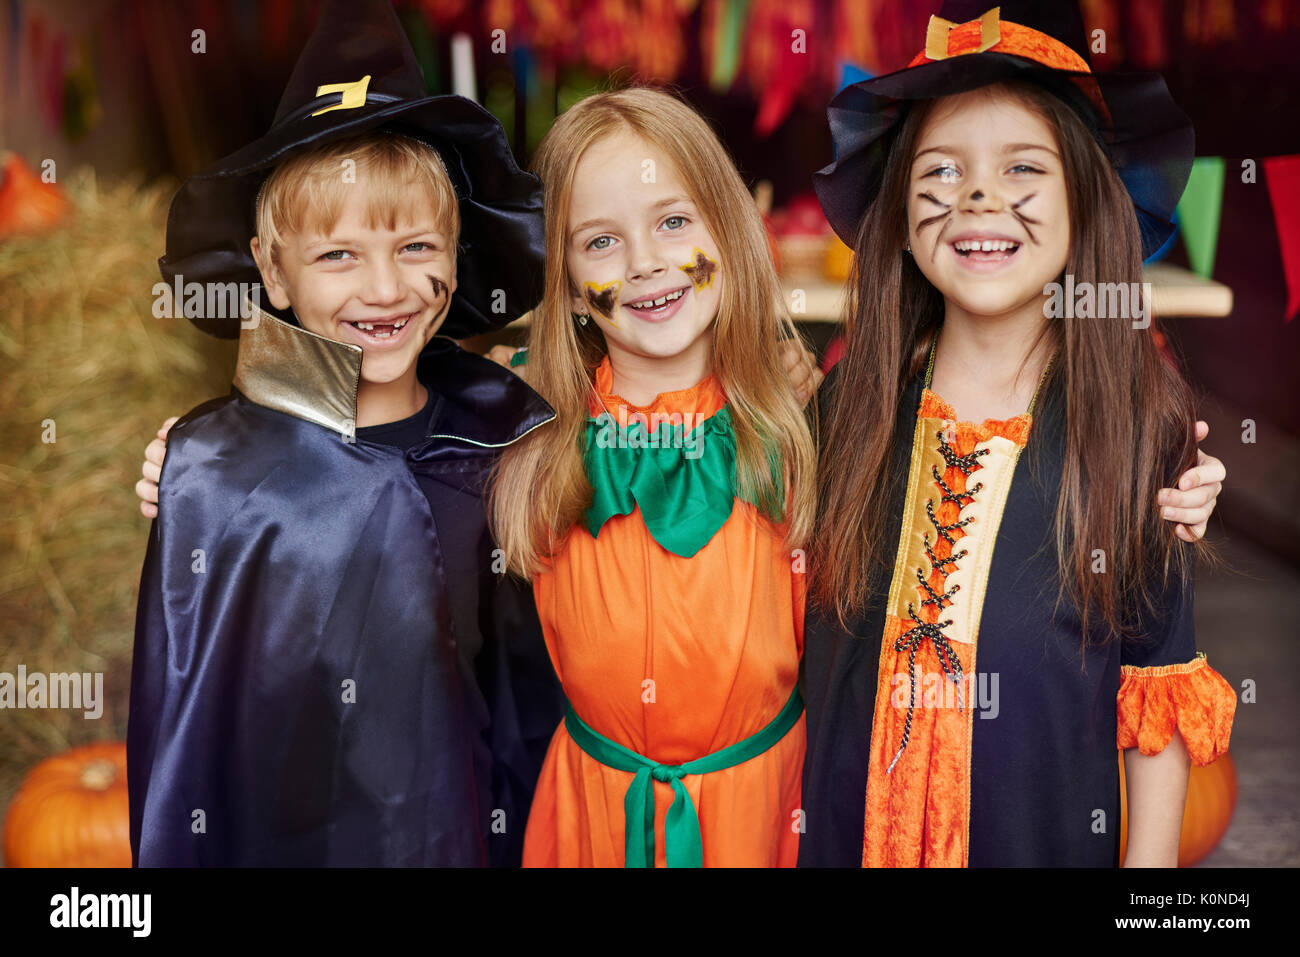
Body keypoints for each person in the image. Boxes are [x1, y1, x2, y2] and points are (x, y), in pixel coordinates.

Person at [800, 0, 1235, 867]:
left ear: (1086, 198)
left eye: (1022, 169)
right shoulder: (848, 404)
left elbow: (1157, 692)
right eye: (944, 172)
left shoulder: (1138, 430)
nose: (979, 198)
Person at [127, 0, 561, 867]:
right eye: (337, 255)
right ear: (271, 271)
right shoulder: (217, 473)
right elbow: (190, 732)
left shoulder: (508, 445)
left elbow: (528, 703)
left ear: (456, 253)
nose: (384, 288)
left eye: (413, 247)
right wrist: (197, 486)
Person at [488, 88, 819, 867]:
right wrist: (207, 461)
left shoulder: (800, 424)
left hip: (764, 813)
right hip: (594, 818)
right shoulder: (525, 435)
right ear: (566, 282)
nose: (645, 264)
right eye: (600, 242)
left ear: (730, 233)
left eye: (674, 222)